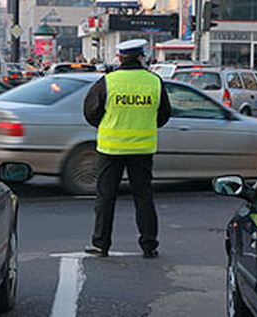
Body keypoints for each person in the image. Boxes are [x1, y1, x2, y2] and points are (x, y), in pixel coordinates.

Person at [83, 39, 171, 259]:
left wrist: (108, 125)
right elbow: (164, 115)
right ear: (141, 57)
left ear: (120, 58)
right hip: (142, 149)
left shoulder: (108, 81)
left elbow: (90, 112)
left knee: (106, 197)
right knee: (143, 197)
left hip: (111, 149)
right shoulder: (154, 82)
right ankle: (149, 245)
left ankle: (101, 244)